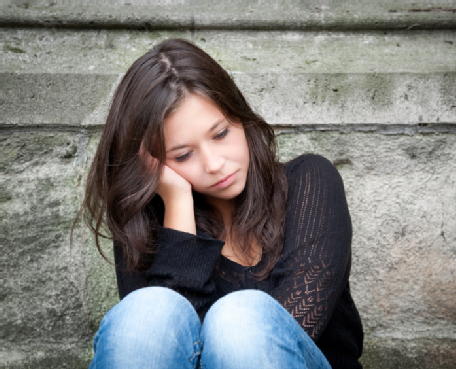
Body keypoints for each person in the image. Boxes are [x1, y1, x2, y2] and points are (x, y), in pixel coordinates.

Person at [82, 38, 363, 369]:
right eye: (183, 155)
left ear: (239, 118)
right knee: (149, 312)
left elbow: (285, 335)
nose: (214, 164)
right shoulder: (145, 226)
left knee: (240, 319)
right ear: (153, 165)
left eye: (220, 134)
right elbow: (166, 348)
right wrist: (177, 204)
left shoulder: (310, 182)